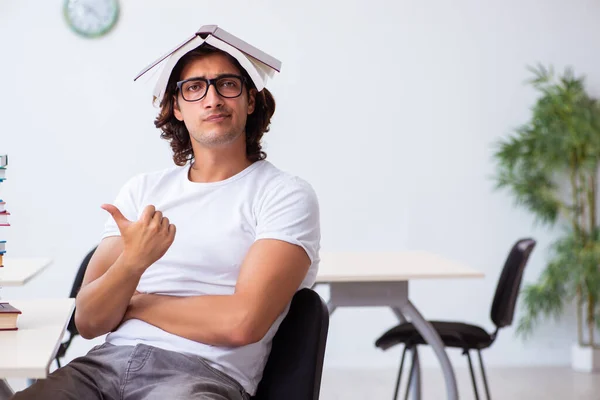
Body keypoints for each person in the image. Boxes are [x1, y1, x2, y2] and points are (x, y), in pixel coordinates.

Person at [12, 27, 320, 400]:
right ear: (176, 106)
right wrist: (133, 264)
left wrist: (136, 302)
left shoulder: (284, 194)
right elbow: (90, 320)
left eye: (227, 84)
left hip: (198, 378)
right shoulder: (142, 191)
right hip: (102, 367)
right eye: (194, 88)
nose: (212, 99)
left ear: (250, 100)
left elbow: (243, 323)